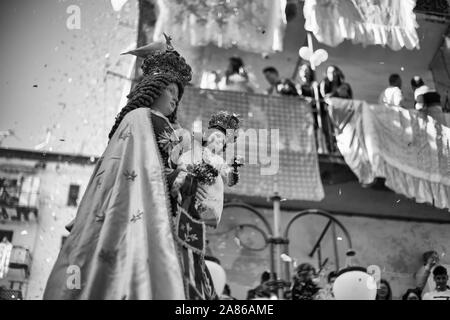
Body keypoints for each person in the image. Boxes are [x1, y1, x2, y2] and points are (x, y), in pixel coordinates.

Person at [43, 38, 217, 300]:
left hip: (166, 212)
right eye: (171, 90)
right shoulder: (137, 119)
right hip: (140, 210)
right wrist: (172, 177)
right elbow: (135, 167)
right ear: (154, 88)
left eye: (178, 94)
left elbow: (169, 164)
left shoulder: (174, 131)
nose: (175, 98)